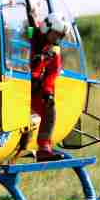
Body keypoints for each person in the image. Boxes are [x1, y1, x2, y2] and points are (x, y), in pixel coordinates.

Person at [30, 11, 69, 162]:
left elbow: (53, 72)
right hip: (19, 82)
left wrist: (47, 91)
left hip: (35, 87)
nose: (57, 38)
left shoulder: (53, 50)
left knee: (49, 109)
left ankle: (44, 149)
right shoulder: (29, 36)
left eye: (60, 36)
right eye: (55, 34)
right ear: (47, 27)